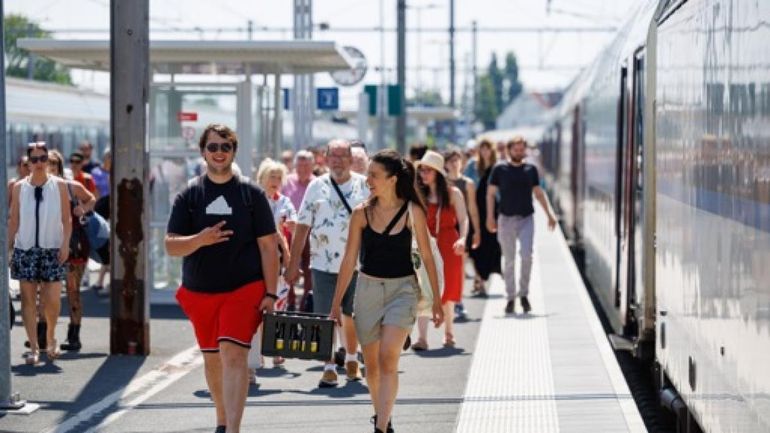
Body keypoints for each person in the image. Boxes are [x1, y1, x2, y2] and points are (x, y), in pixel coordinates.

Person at [165, 124, 279, 433]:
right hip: (200, 291)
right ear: (202, 151)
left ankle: (233, 429)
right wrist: (199, 240)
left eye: (225, 147)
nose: (219, 153)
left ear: (234, 152)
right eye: (213, 147)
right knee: (213, 358)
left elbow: (269, 246)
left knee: (233, 354)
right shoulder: (189, 194)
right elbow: (171, 245)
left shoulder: (251, 194)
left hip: (244, 288)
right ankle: (221, 418)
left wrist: (271, 292)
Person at [330, 149, 444, 433]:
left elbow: (428, 258)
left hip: (403, 290)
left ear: (392, 179)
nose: (367, 179)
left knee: (387, 359)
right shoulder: (361, 213)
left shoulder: (412, 211)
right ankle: (384, 415)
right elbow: (348, 261)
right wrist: (335, 305)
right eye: (368, 174)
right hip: (367, 290)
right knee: (372, 367)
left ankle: (380, 428)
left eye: (373, 175)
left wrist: (437, 302)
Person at [285, 139, 369, 387]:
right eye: (334, 156)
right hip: (322, 263)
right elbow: (302, 226)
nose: (339, 160)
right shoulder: (316, 186)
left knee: (351, 314)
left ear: (351, 159)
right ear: (326, 158)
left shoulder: (364, 186)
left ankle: (352, 359)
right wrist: (292, 263)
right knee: (324, 317)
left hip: (355, 264)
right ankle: (329, 365)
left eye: (344, 156)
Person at [8, 142, 71, 365]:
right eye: (33, 160)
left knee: (52, 299)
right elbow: (13, 220)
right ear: (28, 163)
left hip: (52, 247)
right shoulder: (18, 187)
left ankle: (51, 336)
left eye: (42, 158)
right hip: (25, 248)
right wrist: (7, 248)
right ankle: (34, 347)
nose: (38, 164)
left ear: (47, 159)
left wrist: (65, 244)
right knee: (27, 300)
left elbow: (67, 218)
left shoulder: (60, 185)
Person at [486, 137, 557, 314]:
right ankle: (510, 298)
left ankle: (523, 294)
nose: (519, 152)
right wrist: (490, 217)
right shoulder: (499, 169)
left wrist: (549, 214)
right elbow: (491, 194)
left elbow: (539, 193)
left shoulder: (530, 170)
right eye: (516, 150)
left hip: (526, 218)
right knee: (509, 260)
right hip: (506, 219)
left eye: (521, 150)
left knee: (527, 255)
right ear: (509, 150)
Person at [412, 151, 469, 350]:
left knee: (449, 287)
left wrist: (462, 238)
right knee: (423, 288)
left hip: (448, 243)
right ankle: (422, 338)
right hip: (425, 245)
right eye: (421, 170)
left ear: (437, 172)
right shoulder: (418, 194)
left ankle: (449, 333)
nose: (423, 174)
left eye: (427, 170)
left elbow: (463, 219)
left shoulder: (453, 193)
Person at [248, 158, 296, 378]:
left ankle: (275, 348)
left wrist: (291, 227)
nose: (275, 181)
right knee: (256, 306)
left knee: (277, 305)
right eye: (271, 177)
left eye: (278, 177)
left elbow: (292, 223)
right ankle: (257, 353)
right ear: (262, 178)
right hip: (254, 261)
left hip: (277, 261)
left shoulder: (284, 201)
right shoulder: (252, 199)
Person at [47, 150, 96, 352]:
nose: (45, 166)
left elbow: (92, 199)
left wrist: (82, 209)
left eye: (51, 163)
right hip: (49, 244)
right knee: (45, 291)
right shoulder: (35, 188)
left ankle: (73, 335)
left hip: (74, 245)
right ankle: (43, 336)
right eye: (43, 162)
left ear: (58, 167)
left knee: (73, 290)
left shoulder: (69, 186)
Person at [444, 149, 481, 321]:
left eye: (457, 160)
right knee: (443, 267)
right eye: (451, 160)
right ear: (445, 164)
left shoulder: (468, 183)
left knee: (460, 266)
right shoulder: (441, 183)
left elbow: (472, 209)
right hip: (445, 227)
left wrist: (477, 231)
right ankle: (445, 301)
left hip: (462, 227)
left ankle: (458, 301)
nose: (454, 163)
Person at [281, 150, 316, 312]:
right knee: (288, 266)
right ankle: (289, 301)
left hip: (311, 231)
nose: (302, 168)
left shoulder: (317, 183)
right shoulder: (286, 182)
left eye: (306, 165)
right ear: (295, 166)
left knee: (310, 267)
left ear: (312, 166)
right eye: (300, 165)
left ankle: (306, 304)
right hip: (289, 231)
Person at [469, 139, 502, 297]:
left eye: (487, 148)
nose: (484, 151)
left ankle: (482, 278)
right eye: (482, 148)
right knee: (476, 247)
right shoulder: (472, 166)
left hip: (493, 210)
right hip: (476, 210)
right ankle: (479, 280)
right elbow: (467, 184)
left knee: (492, 245)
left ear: (492, 150)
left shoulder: (498, 167)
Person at [91, 150, 112, 293]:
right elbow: (95, 193)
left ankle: (101, 281)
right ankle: (100, 281)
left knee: (110, 248)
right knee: (103, 246)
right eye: (109, 157)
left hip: (114, 210)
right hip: (100, 211)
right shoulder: (96, 173)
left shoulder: (116, 172)